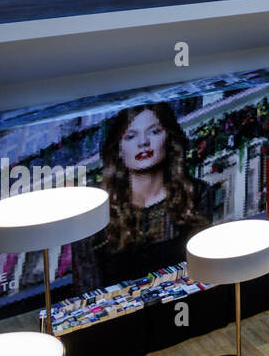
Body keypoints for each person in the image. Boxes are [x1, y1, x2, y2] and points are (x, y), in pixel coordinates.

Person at [72, 102, 214, 293]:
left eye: (154, 132)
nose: (143, 143)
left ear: (169, 138)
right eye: (131, 136)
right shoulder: (94, 210)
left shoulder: (195, 194)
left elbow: (204, 275)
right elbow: (87, 293)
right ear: (119, 149)